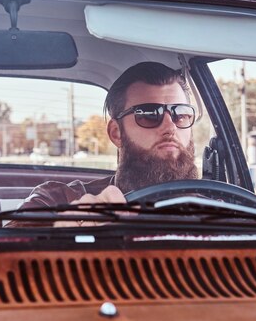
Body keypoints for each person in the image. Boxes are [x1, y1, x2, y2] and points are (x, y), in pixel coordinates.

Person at [18, 61, 198, 212]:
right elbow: (11, 247)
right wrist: (71, 232)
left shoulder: (218, 207)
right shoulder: (58, 201)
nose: (170, 127)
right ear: (116, 133)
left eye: (180, 114)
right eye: (149, 114)